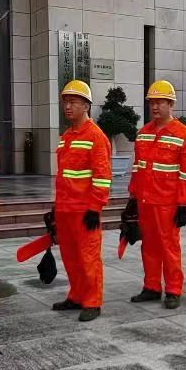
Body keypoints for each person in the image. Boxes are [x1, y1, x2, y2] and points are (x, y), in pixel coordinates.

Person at [127, 79, 186, 309]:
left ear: (171, 104)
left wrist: (184, 203)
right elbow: (137, 168)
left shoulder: (183, 134)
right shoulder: (143, 133)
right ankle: (152, 287)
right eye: (152, 103)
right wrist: (132, 199)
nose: (155, 107)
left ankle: (174, 289)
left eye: (160, 102)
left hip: (168, 203)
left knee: (169, 247)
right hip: (146, 201)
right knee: (149, 246)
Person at [53, 79, 111, 320]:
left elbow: (102, 177)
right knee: (70, 256)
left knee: (88, 257)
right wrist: (54, 208)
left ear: (86, 105)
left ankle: (92, 301)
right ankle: (76, 295)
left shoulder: (96, 137)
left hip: (84, 210)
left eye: (73, 102)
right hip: (65, 208)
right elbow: (63, 176)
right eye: (66, 102)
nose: (68, 106)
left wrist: (94, 207)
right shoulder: (66, 136)